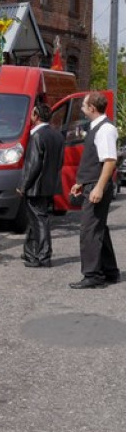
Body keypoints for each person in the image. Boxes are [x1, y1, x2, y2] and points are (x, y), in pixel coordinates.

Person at [68, 93, 119, 289]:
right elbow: (94, 160)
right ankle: (109, 271)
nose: (81, 108)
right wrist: (82, 182)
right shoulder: (99, 127)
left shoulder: (105, 129)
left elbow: (109, 161)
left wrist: (97, 186)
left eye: (83, 105)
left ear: (92, 108)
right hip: (92, 183)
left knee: (89, 230)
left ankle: (93, 275)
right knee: (99, 228)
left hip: (97, 186)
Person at [16, 103, 63, 267]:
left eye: (32, 114)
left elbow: (33, 165)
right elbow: (59, 162)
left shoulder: (37, 136)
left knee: (39, 220)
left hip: (36, 186)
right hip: (49, 185)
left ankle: (43, 256)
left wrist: (23, 186)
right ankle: (30, 253)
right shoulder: (57, 135)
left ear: (36, 116)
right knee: (35, 219)